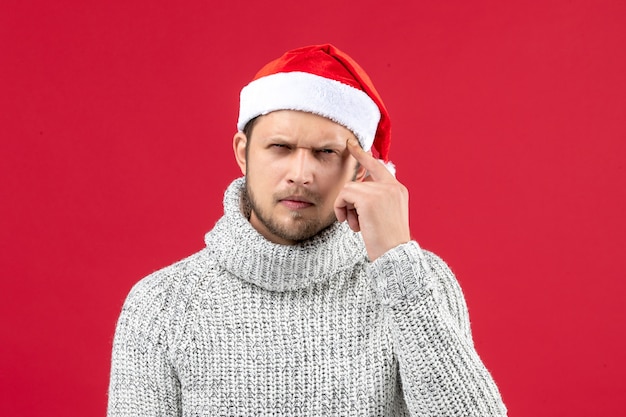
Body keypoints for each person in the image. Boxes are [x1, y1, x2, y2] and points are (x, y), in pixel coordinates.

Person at [107, 44, 507, 416]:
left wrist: (397, 261)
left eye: (326, 153)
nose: (300, 175)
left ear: (360, 169)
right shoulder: (162, 305)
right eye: (280, 148)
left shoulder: (419, 281)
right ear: (243, 153)